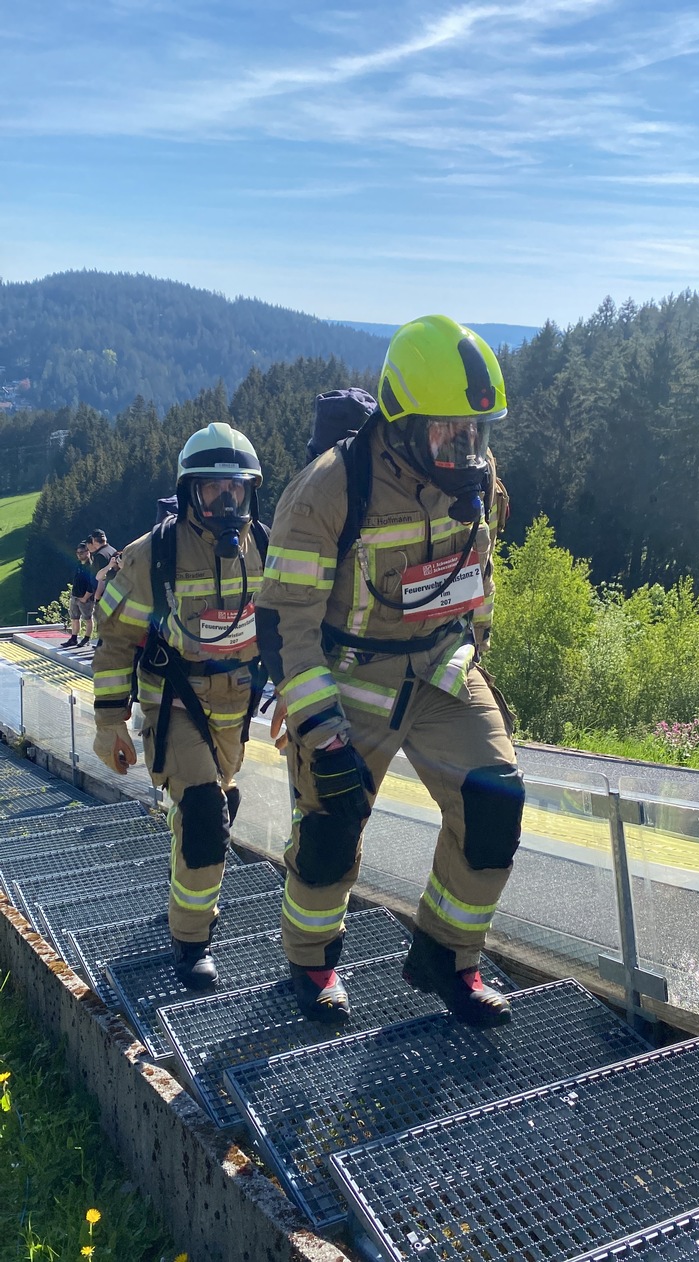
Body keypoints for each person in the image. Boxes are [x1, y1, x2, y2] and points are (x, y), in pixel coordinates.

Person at [255, 315, 525, 1028]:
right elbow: (286, 622)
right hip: (348, 678)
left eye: (477, 433)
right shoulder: (328, 490)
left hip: (442, 666)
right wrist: (320, 727)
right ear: (401, 421)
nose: (466, 451)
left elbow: (478, 578)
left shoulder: (474, 472)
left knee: (496, 804)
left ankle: (447, 956)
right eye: (447, 433)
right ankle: (312, 961)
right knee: (330, 831)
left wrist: (480, 666)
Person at [91, 422, 267, 990]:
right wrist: (108, 721)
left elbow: (291, 625)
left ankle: (199, 819)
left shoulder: (266, 548)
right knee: (203, 817)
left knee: (213, 803)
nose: (225, 500)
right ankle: (191, 940)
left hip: (237, 707)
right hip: (175, 703)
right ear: (190, 491)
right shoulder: (151, 557)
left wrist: (293, 688)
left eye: (236, 489)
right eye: (213, 489)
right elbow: (115, 639)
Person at [61, 542, 98, 648]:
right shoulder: (78, 564)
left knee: (88, 618)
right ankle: (74, 638)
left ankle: (86, 638)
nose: (79, 555)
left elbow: (92, 583)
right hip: (75, 595)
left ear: (88, 552)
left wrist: (86, 597)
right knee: (74, 618)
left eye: (82, 552)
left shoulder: (91, 566)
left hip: (85, 598)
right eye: (78, 553)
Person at [87, 530, 118, 603]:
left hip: (105, 595)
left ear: (94, 541)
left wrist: (97, 597)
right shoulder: (112, 550)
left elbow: (101, 579)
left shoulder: (100, 555)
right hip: (116, 589)